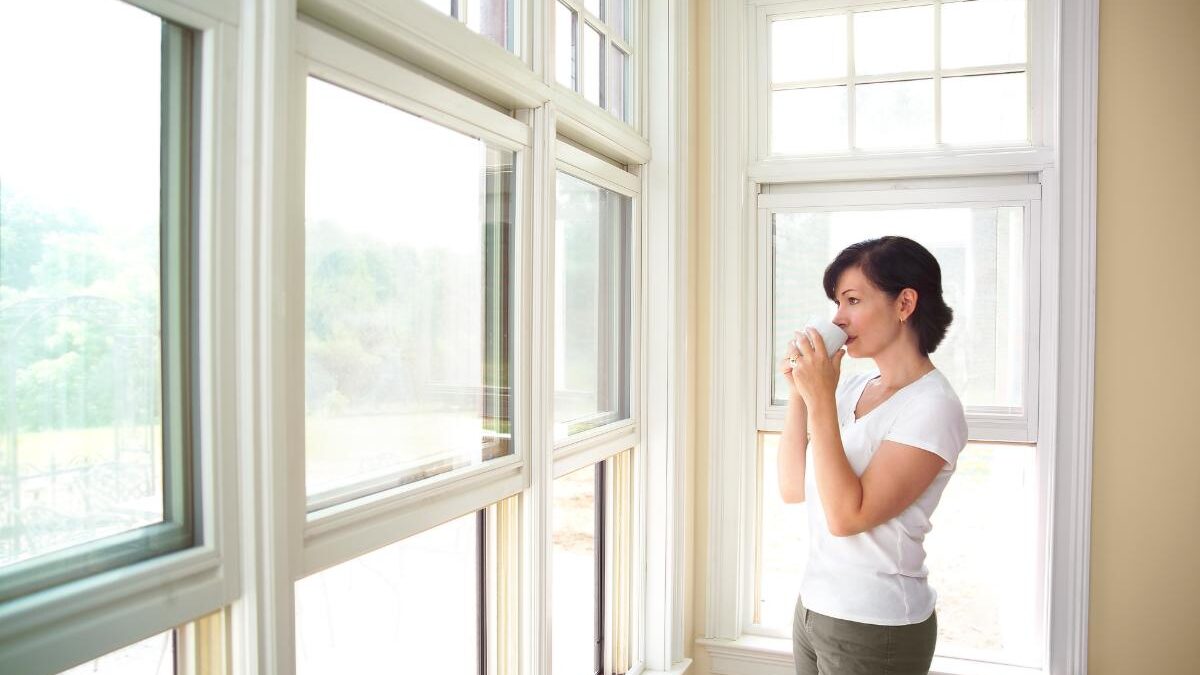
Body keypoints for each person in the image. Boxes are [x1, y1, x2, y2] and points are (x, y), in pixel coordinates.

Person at [779, 236, 968, 675]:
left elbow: (847, 517)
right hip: (813, 607)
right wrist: (799, 394)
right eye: (836, 303)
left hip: (874, 624)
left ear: (904, 304)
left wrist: (820, 400)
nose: (838, 319)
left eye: (852, 300)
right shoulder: (849, 388)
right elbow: (792, 487)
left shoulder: (933, 407)